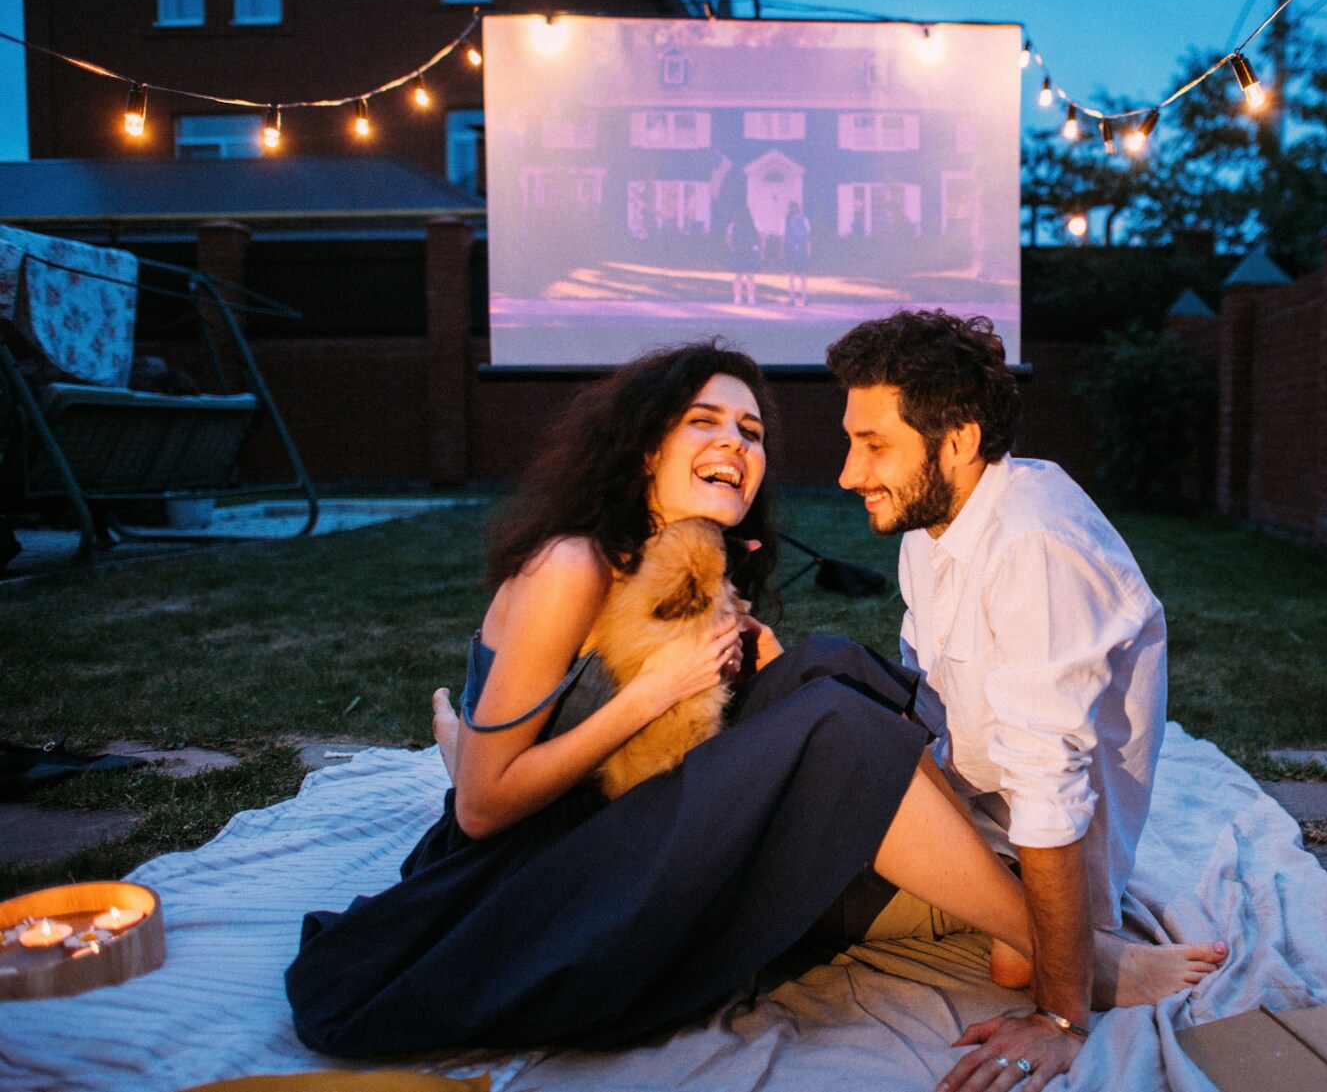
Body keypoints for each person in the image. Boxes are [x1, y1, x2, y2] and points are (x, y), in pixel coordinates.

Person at [286, 342, 1039, 1057]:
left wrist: (746, 677)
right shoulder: (573, 565)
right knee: (836, 726)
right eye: (703, 422)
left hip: (621, 820)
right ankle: (1063, 945)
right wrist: (652, 693)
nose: (735, 444)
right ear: (647, 448)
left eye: (750, 431)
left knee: (826, 665)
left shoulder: (685, 558)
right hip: (546, 879)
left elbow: (677, 740)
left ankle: (1002, 904)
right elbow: (482, 808)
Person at [826, 311, 1230, 1090]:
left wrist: (1060, 1016)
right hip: (974, 801)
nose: (848, 473)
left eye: (874, 445)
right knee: (825, 704)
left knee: (790, 869)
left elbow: (1050, 791)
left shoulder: (1033, 542)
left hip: (1041, 835)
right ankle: (1049, 933)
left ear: (958, 441)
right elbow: (930, 705)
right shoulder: (932, 527)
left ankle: (1080, 945)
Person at [782, 199, 811, 307]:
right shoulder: (804, 220)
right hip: (802, 249)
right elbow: (808, 236)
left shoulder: (786, 220)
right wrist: (808, 251)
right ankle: (805, 298)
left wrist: (783, 250)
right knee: (803, 276)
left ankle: (792, 298)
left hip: (791, 249)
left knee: (792, 276)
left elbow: (783, 236)